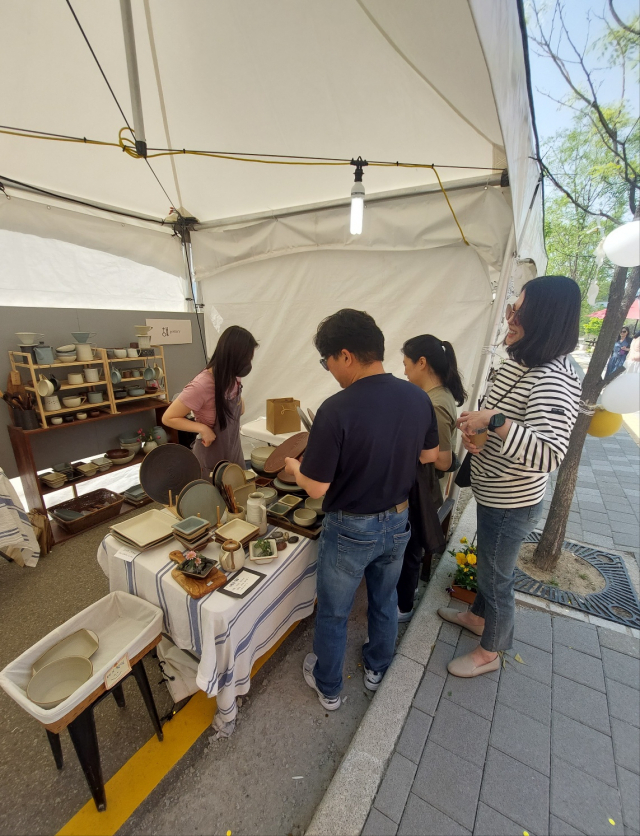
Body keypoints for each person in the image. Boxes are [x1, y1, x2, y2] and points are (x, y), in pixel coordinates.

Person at [284, 309, 439, 709]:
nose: (329, 370)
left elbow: (318, 487)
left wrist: (295, 469)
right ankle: (377, 668)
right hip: (398, 519)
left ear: (346, 355)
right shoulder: (418, 398)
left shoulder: (336, 408)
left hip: (351, 527)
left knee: (334, 612)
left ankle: (330, 687)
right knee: (384, 600)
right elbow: (429, 455)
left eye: (328, 361)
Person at [438, 275, 582, 678]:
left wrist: (495, 422)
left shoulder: (553, 377)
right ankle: (479, 617)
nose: (510, 318)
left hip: (511, 498)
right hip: (493, 488)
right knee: (488, 562)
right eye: (511, 309)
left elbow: (548, 454)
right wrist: (478, 427)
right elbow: (503, 415)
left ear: (547, 318)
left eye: (520, 310)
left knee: (495, 576)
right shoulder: (524, 358)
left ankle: (491, 652)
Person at [396, 334, 467, 621]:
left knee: (411, 547)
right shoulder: (433, 397)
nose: (404, 371)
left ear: (422, 363)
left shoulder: (436, 403)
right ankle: (405, 596)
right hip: (420, 486)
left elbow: (444, 458)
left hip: (423, 490)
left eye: (406, 364)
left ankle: (403, 606)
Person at [162, 326, 258, 477]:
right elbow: (168, 418)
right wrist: (202, 428)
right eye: (247, 358)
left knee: (238, 497)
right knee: (214, 499)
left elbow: (240, 410)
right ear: (234, 357)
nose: (249, 364)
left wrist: (237, 400)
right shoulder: (201, 385)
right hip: (210, 459)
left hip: (234, 454)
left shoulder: (234, 377)